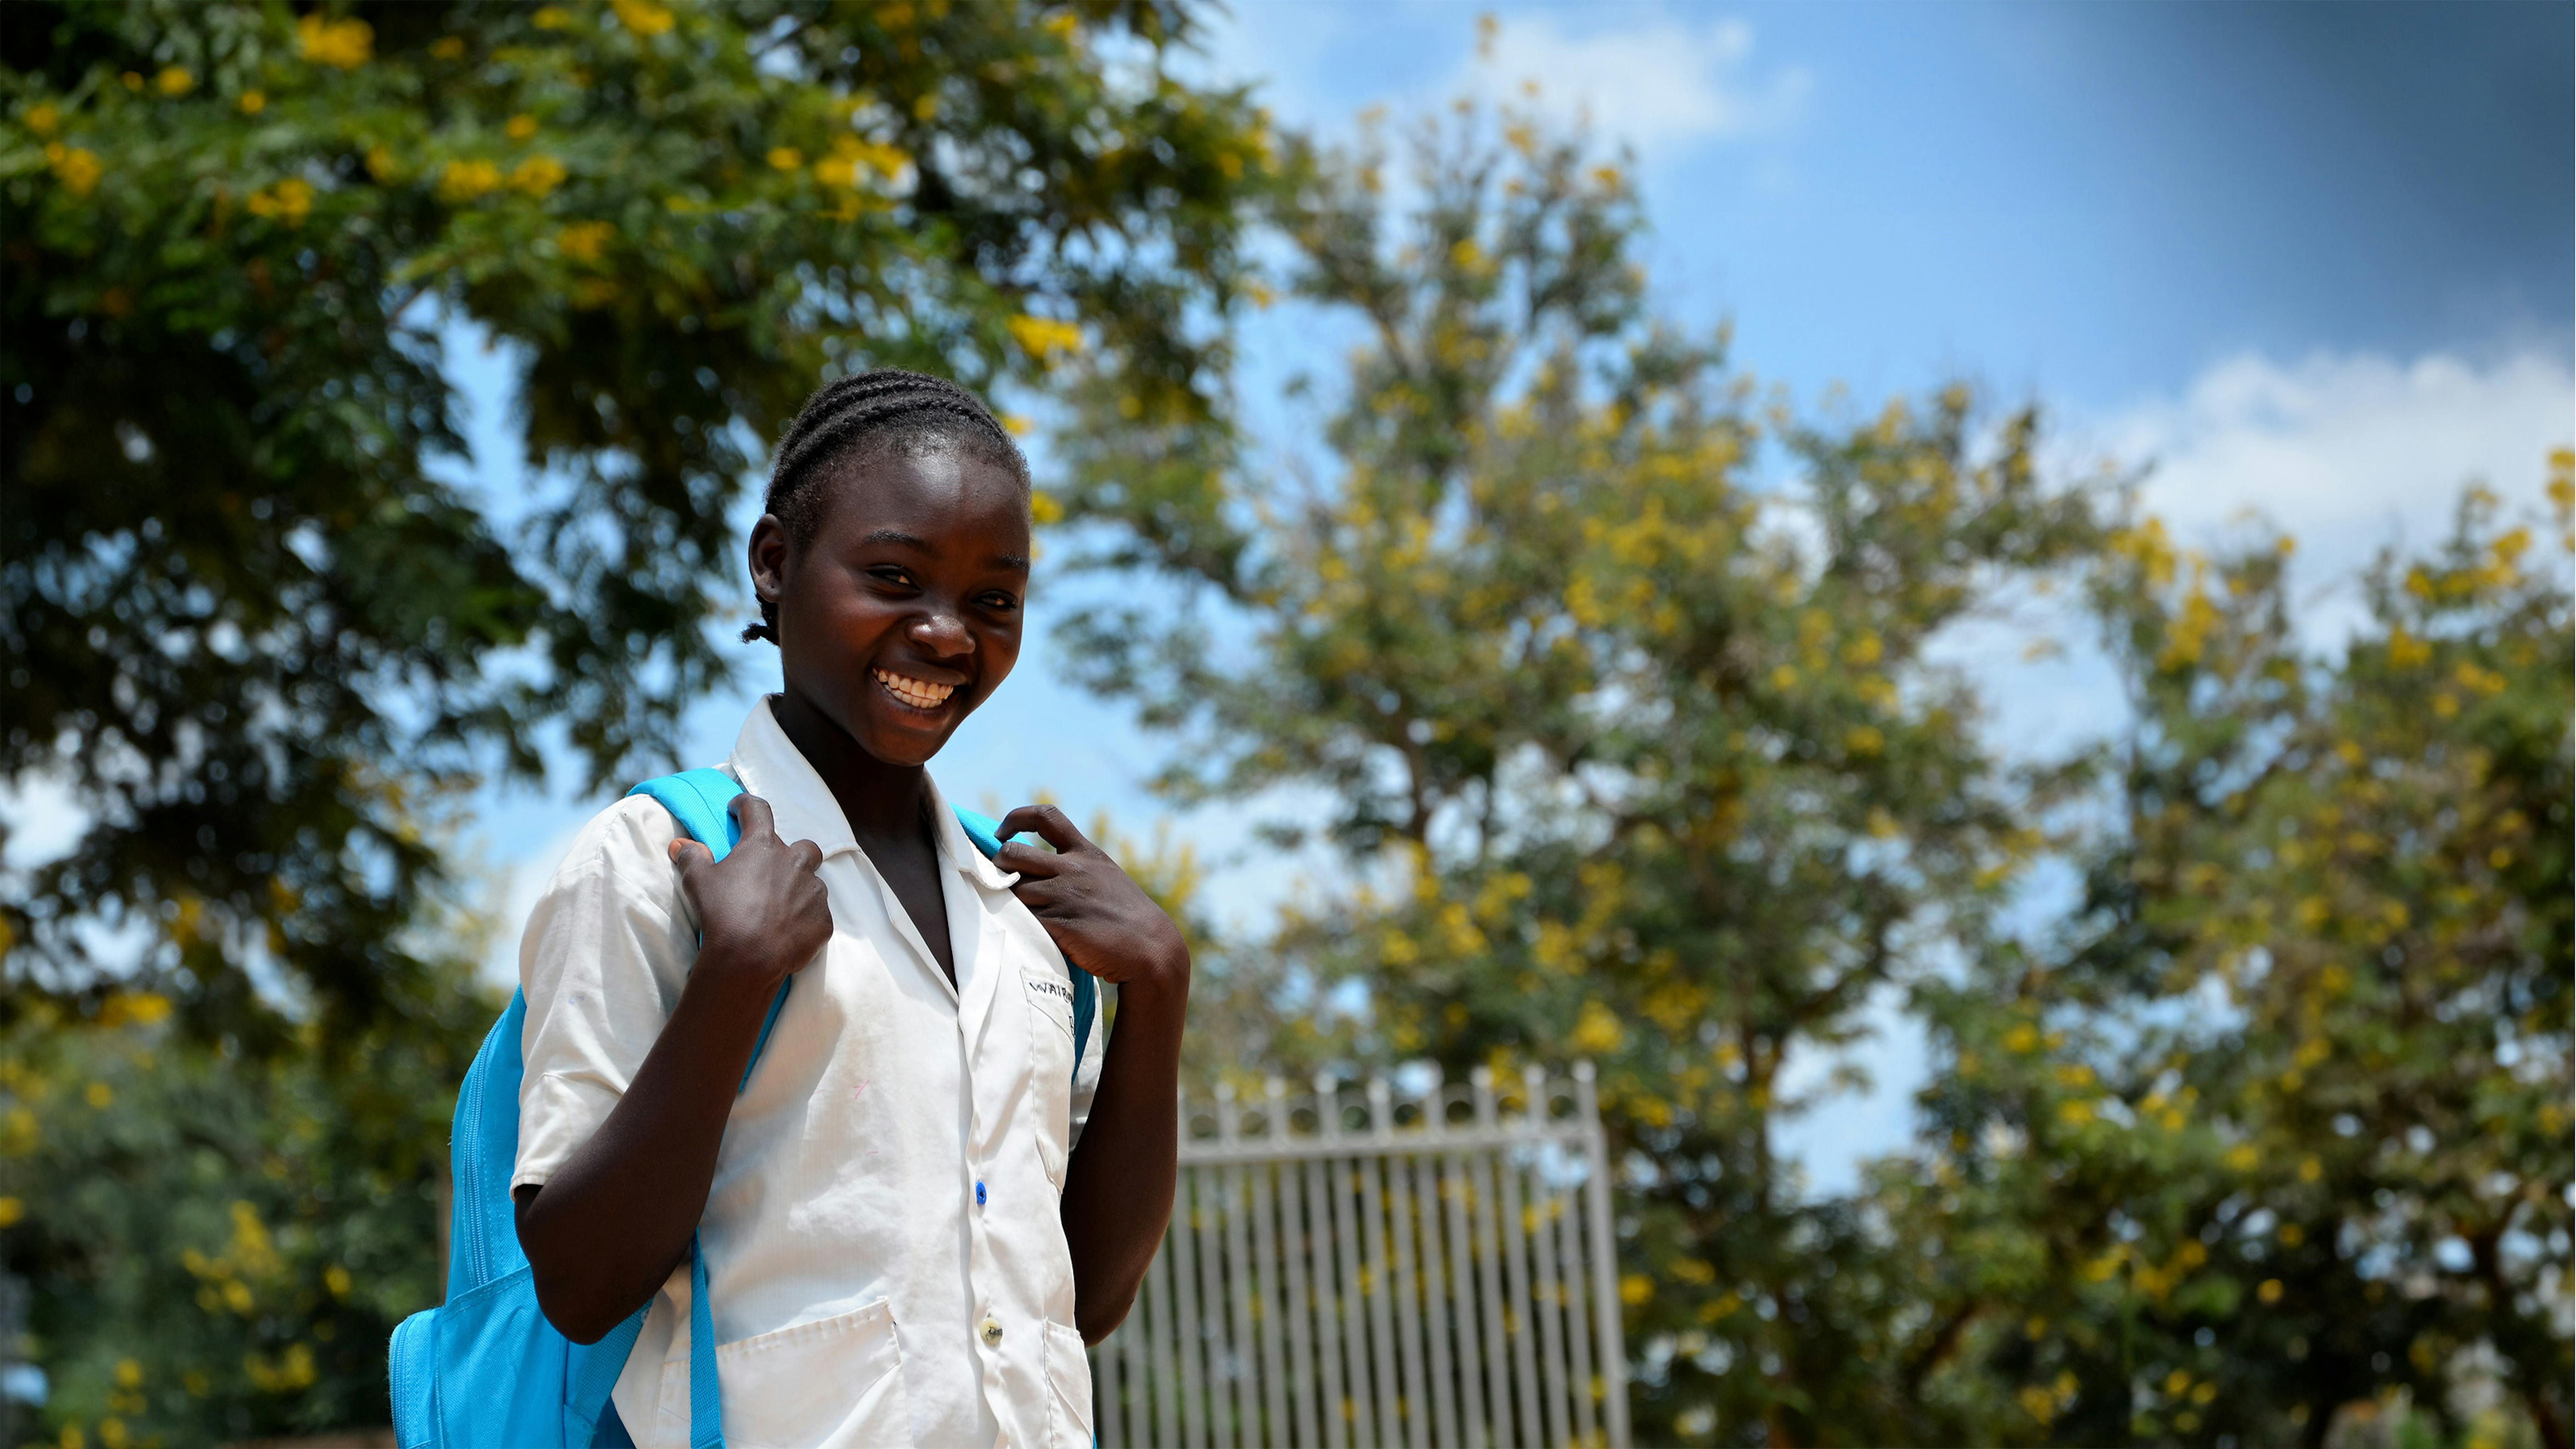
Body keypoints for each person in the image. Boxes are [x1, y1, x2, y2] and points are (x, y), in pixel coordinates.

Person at [507, 369, 1189, 1448]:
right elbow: (580, 1284)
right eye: (893, 576)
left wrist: (1157, 991)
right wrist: (734, 982)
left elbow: (1084, 1302)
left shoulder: (1017, 911)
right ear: (775, 564)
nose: (946, 634)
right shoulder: (659, 861)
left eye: (993, 599)